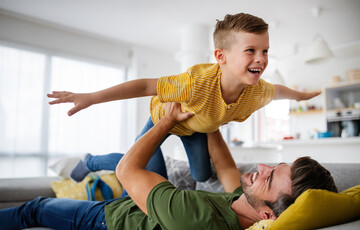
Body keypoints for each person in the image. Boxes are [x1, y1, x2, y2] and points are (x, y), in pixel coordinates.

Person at [47, 12, 321, 183]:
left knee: (202, 174)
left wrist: (302, 96)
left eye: (265, 51)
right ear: (220, 57)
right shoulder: (194, 84)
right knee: (154, 176)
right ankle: (91, 161)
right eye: (251, 50)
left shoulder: (257, 90)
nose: (261, 59)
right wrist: (91, 98)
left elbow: (278, 92)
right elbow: (145, 86)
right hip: (163, 119)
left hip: (195, 126)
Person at [0, 103, 337, 230]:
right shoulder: (246, 202)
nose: (260, 168)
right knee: (191, 123)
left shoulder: (202, 223)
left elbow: (126, 169)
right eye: (273, 165)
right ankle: (87, 162)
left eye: (269, 176)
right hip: (143, 200)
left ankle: (87, 163)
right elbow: (225, 166)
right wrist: (210, 118)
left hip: (113, 221)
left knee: (36, 207)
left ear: (268, 214)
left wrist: (167, 120)